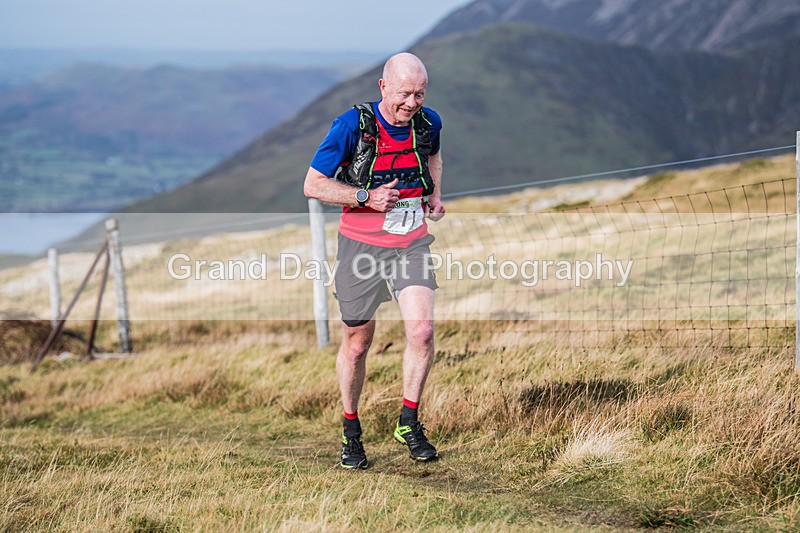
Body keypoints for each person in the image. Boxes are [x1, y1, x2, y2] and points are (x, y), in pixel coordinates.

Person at [303, 52, 445, 469]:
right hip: (360, 247)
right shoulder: (351, 126)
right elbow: (313, 184)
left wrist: (435, 194)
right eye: (404, 94)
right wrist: (365, 196)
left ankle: (409, 421)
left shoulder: (429, 122)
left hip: (410, 242)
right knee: (358, 343)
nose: (412, 103)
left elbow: (433, 155)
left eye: (419, 94)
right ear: (383, 87)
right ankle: (351, 431)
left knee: (421, 332)